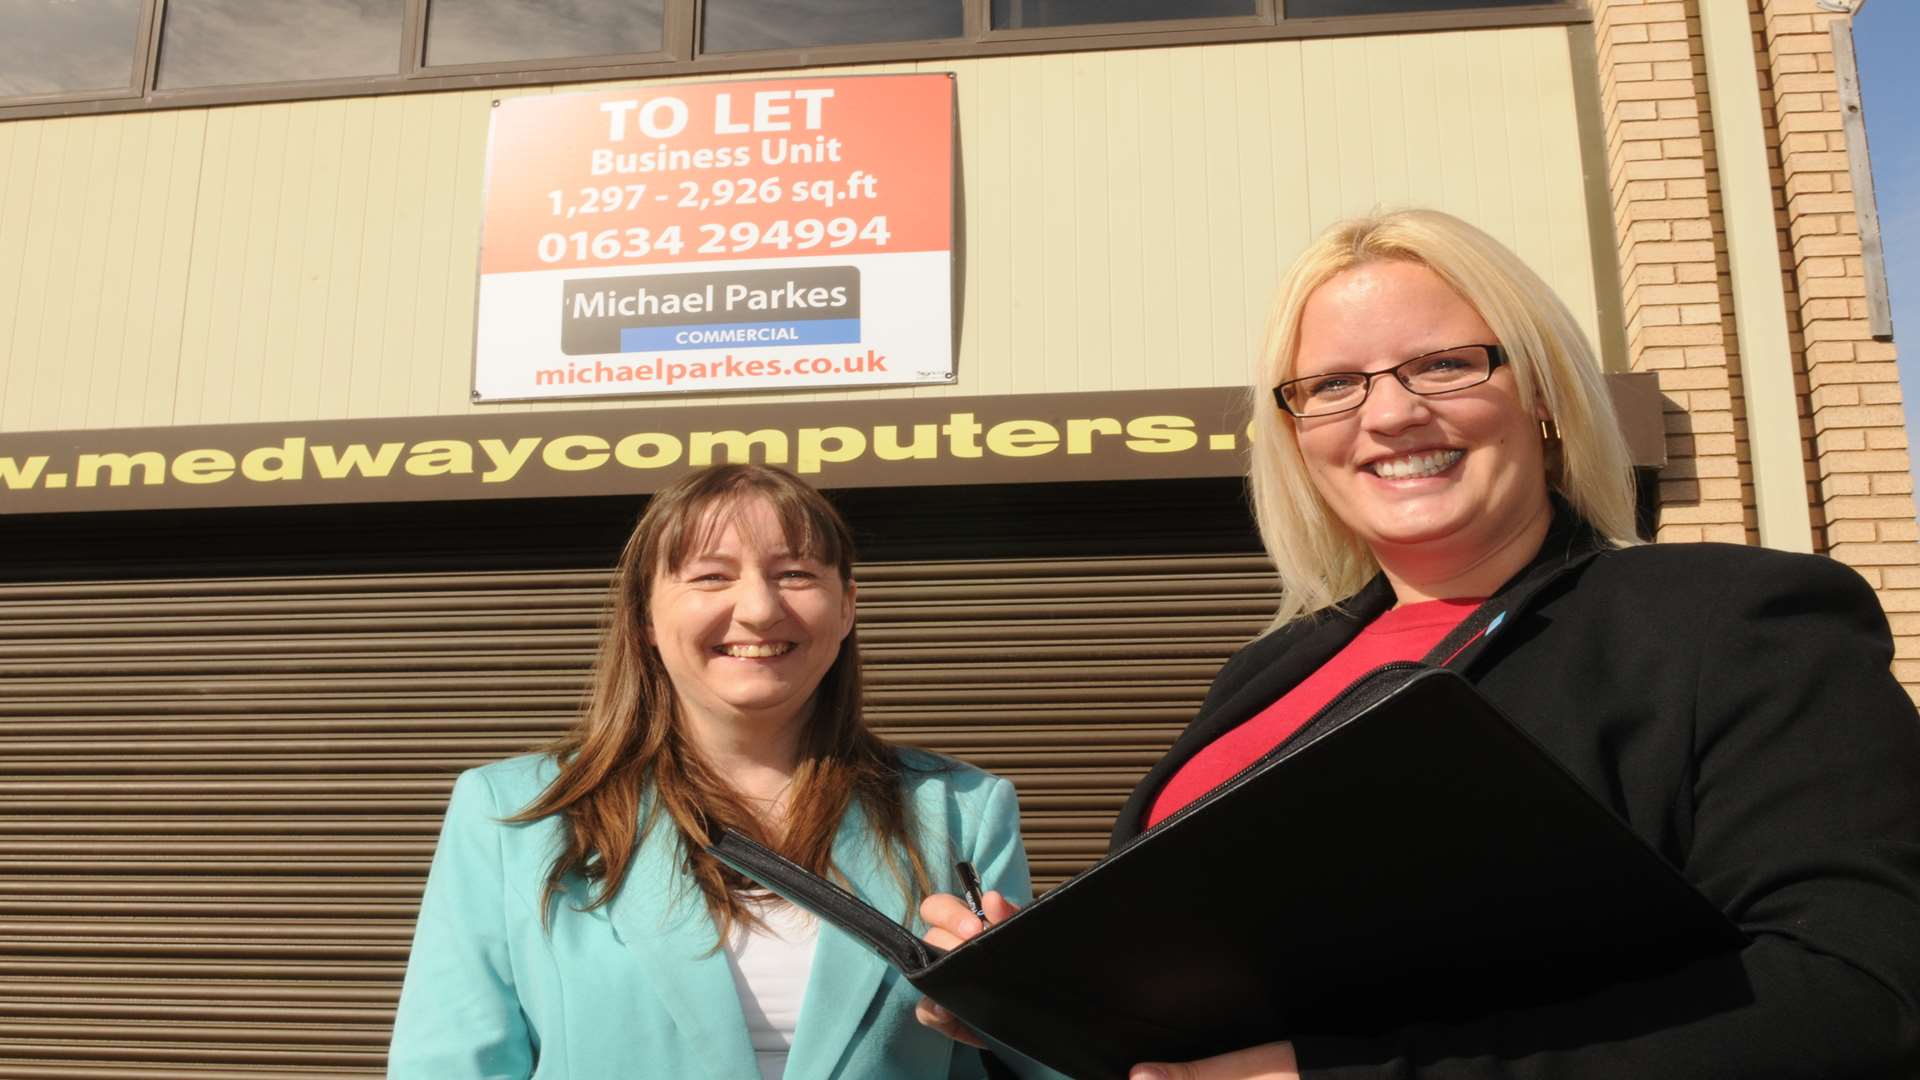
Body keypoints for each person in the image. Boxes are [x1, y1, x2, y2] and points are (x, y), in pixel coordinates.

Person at [919, 208, 1920, 1078]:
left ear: (1540, 393)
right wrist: (1048, 989)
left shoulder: (1732, 623)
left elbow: (1860, 995)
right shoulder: (1267, 674)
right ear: (1297, 431)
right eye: (1334, 385)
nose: (1393, 414)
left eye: (1445, 364)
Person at [390, 463, 1039, 1079]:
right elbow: (449, 1065)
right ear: (645, 615)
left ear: (847, 606)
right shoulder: (513, 813)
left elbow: (1036, 1061)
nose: (758, 608)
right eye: (710, 577)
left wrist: (1016, 1008)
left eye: (795, 574)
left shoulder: (963, 809)